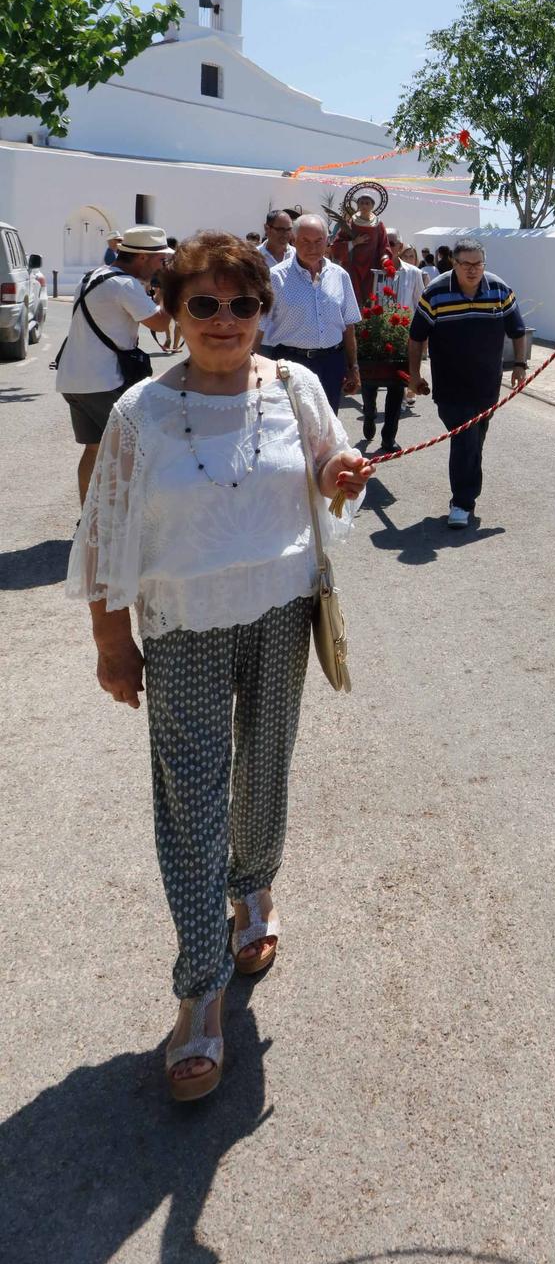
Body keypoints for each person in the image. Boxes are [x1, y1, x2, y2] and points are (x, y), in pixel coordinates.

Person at [67, 231, 374, 1100]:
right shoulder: (141, 415)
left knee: (264, 769)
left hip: (281, 612)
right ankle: (200, 995)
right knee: (193, 798)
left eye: (242, 304)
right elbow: (104, 531)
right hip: (182, 626)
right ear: (173, 313)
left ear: (261, 312)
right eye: (203, 304)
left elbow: (324, 464)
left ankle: (255, 892)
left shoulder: (295, 385)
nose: (226, 320)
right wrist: (110, 639)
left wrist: (341, 471)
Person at [407, 240, 530, 527]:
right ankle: (462, 503)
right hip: (450, 387)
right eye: (467, 265)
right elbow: (416, 337)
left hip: (487, 385)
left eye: (478, 264)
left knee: (474, 439)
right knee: (464, 439)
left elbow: (518, 330)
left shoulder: (499, 289)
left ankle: (464, 492)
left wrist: (521, 365)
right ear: (454, 264)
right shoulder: (436, 292)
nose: (473, 270)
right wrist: (414, 375)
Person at [55, 225, 172, 503]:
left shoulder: (95, 275)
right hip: (103, 381)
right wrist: (169, 290)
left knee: (94, 449)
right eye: (159, 260)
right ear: (143, 257)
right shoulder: (125, 284)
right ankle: (122, 519)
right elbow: (160, 322)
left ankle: (88, 519)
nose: (161, 265)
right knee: (133, 449)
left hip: (74, 380)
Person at [266, 214, 362, 410]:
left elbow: (348, 325)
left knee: (328, 426)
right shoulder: (275, 277)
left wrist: (353, 368)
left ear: (327, 242)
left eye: (318, 241)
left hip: (331, 363)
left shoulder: (340, 276)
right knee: (292, 426)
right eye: (305, 241)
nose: (312, 248)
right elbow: (258, 328)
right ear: (294, 239)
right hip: (291, 364)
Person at [357, 231, 425, 457]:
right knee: (369, 385)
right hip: (371, 337)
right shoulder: (369, 272)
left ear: (400, 246)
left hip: (401, 339)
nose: (388, 248)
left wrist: (421, 341)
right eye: (384, 244)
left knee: (397, 388)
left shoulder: (413, 273)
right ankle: (369, 414)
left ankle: (389, 437)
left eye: (392, 244)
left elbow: (421, 307)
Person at [330, 191, 391, 313]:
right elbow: (336, 246)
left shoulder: (378, 225)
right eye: (362, 203)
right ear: (358, 205)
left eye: (367, 203)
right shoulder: (351, 223)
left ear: (372, 206)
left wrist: (385, 261)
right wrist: (354, 242)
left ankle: (367, 325)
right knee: (353, 297)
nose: (364, 206)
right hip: (353, 267)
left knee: (369, 299)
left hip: (371, 268)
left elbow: (384, 246)